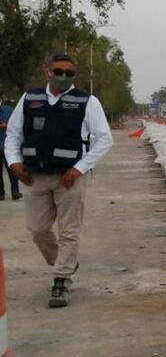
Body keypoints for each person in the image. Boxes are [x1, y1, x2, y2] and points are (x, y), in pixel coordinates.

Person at [3, 54, 114, 308]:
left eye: (68, 73)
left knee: (69, 231)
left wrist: (79, 168)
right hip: (34, 176)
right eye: (58, 71)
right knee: (37, 229)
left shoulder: (87, 101)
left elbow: (104, 139)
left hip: (69, 178)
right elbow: (13, 134)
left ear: (74, 75)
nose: (63, 77)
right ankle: (65, 263)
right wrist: (13, 161)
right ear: (48, 71)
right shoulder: (30, 99)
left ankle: (61, 281)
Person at [0, 98, 22, 201]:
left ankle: (15, 192)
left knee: (12, 169)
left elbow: (17, 125)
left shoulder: (10, 110)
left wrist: (6, 125)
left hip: (7, 145)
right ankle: (1, 193)